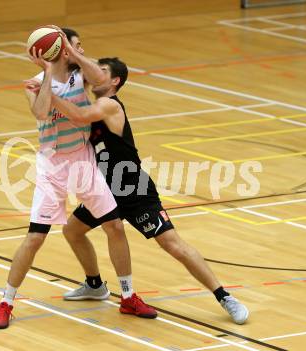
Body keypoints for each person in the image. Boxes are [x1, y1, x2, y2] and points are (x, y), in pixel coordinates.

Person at [46, 57, 249, 325]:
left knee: (172, 244)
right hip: (105, 188)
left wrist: (47, 90)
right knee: (72, 231)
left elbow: (79, 115)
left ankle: (224, 296)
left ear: (115, 81)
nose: (94, 75)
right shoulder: (92, 102)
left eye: (102, 72)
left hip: (132, 188)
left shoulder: (110, 105)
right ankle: (95, 285)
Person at [0, 28, 156, 329]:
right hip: (52, 165)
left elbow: (103, 80)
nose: (76, 49)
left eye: (77, 45)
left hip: (83, 160)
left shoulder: (82, 74)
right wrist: (49, 70)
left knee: (115, 226)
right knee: (35, 238)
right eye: (70, 44)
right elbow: (41, 113)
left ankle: (128, 295)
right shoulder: (36, 83)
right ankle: (5, 302)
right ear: (51, 50)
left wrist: (73, 51)